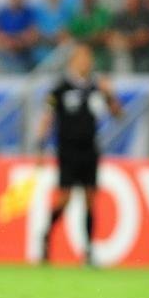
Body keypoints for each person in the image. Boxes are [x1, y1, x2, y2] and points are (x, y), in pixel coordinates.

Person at [36, 43, 122, 265]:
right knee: (63, 199)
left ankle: (89, 250)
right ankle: (46, 236)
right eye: (82, 58)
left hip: (90, 150)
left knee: (90, 199)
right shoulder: (60, 88)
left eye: (88, 58)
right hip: (67, 151)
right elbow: (47, 118)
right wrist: (40, 146)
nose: (86, 62)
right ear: (73, 61)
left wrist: (109, 94)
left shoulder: (97, 87)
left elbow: (118, 115)